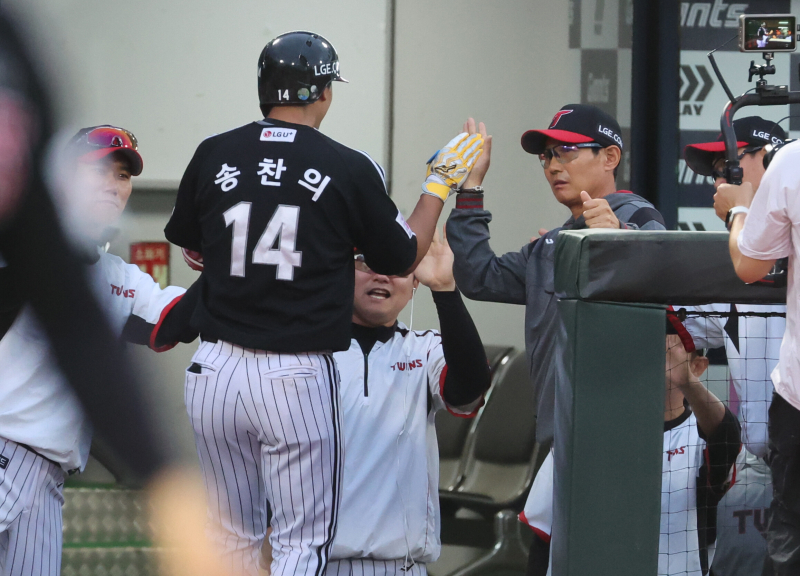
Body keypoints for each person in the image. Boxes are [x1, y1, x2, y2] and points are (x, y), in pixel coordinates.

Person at [165, 31, 483, 576]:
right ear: (323, 93)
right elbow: (402, 255)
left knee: (229, 537)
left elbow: (192, 247)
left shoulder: (214, 151)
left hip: (215, 370)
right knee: (302, 542)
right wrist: (439, 184)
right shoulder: (346, 164)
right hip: (293, 369)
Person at [0, 10, 229, 576]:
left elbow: (177, 321)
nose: (111, 184)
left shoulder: (116, 277)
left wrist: (231, 262)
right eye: (98, 170)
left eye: (122, 175)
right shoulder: (21, 244)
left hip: (45, 474)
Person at [445, 105, 666, 572]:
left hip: (612, 443)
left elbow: (663, 285)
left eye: (566, 151)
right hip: (559, 439)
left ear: (609, 157)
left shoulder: (636, 215)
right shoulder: (555, 242)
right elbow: (479, 276)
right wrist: (470, 188)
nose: (552, 166)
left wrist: (620, 240)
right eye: (546, 156)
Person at [261, 230, 492, 576]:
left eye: (397, 266)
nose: (382, 275)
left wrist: (445, 289)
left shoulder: (425, 349)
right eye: (366, 262)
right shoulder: (299, 351)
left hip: (401, 566)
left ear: (415, 282)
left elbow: (470, 387)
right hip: (308, 565)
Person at [520, 316, 741, 576]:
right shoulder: (584, 431)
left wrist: (686, 380)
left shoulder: (699, 436)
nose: (655, 357)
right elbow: (544, 537)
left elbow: (727, 438)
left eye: (669, 348)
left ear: (698, 366)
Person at [681, 116, 787, 574]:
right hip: (760, 467)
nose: (720, 181)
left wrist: (741, 213)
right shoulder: (727, 262)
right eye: (716, 172)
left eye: (730, 165)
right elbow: (672, 325)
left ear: (771, 161)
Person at [713, 135, 800, 575]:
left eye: (731, 162)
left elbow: (749, 264)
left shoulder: (793, 160)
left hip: (797, 406)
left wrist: (740, 212)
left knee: (791, 542)